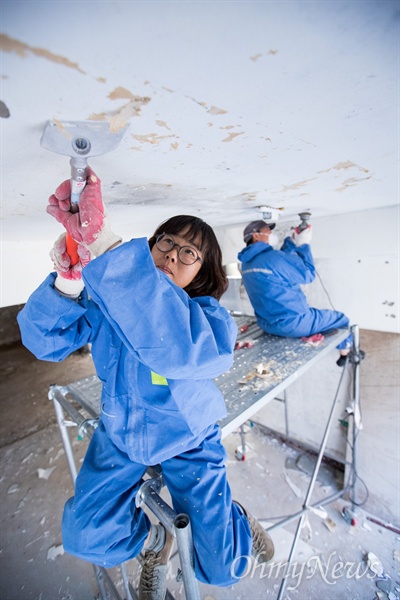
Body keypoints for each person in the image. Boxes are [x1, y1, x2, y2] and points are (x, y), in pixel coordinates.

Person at [17, 169, 274, 600]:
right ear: (149, 250)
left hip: (188, 436)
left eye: (189, 252)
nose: (173, 254)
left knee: (222, 569)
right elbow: (45, 342)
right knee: (86, 537)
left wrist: (103, 243)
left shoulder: (207, 319)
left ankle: (236, 518)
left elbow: (173, 343)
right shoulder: (113, 305)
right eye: (166, 243)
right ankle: (155, 543)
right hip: (121, 433)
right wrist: (69, 280)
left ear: (203, 273)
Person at [237, 219, 352, 364]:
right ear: (256, 236)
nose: (271, 234)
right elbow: (308, 275)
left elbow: (280, 263)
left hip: (267, 324)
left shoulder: (246, 263)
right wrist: (304, 244)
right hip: (295, 324)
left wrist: (291, 242)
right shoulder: (274, 258)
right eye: (268, 231)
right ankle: (345, 354)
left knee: (315, 315)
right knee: (341, 319)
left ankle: (317, 334)